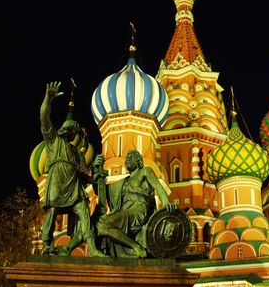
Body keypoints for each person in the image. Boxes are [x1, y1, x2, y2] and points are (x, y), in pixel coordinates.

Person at [40, 81, 105, 257]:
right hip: (57, 183)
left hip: (74, 187)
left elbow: (85, 177)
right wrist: (48, 99)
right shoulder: (55, 142)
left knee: (84, 213)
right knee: (51, 214)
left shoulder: (78, 155)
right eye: (67, 128)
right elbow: (44, 120)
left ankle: (92, 248)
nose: (68, 129)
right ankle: (46, 244)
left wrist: (97, 171)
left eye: (71, 128)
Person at [95, 149, 177, 258]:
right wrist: (96, 170)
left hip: (138, 211)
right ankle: (135, 248)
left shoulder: (145, 171)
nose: (127, 159)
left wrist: (166, 203)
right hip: (124, 211)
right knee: (99, 225)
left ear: (138, 160)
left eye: (131, 157)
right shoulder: (124, 181)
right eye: (127, 158)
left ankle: (137, 248)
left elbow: (158, 187)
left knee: (104, 224)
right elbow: (102, 191)